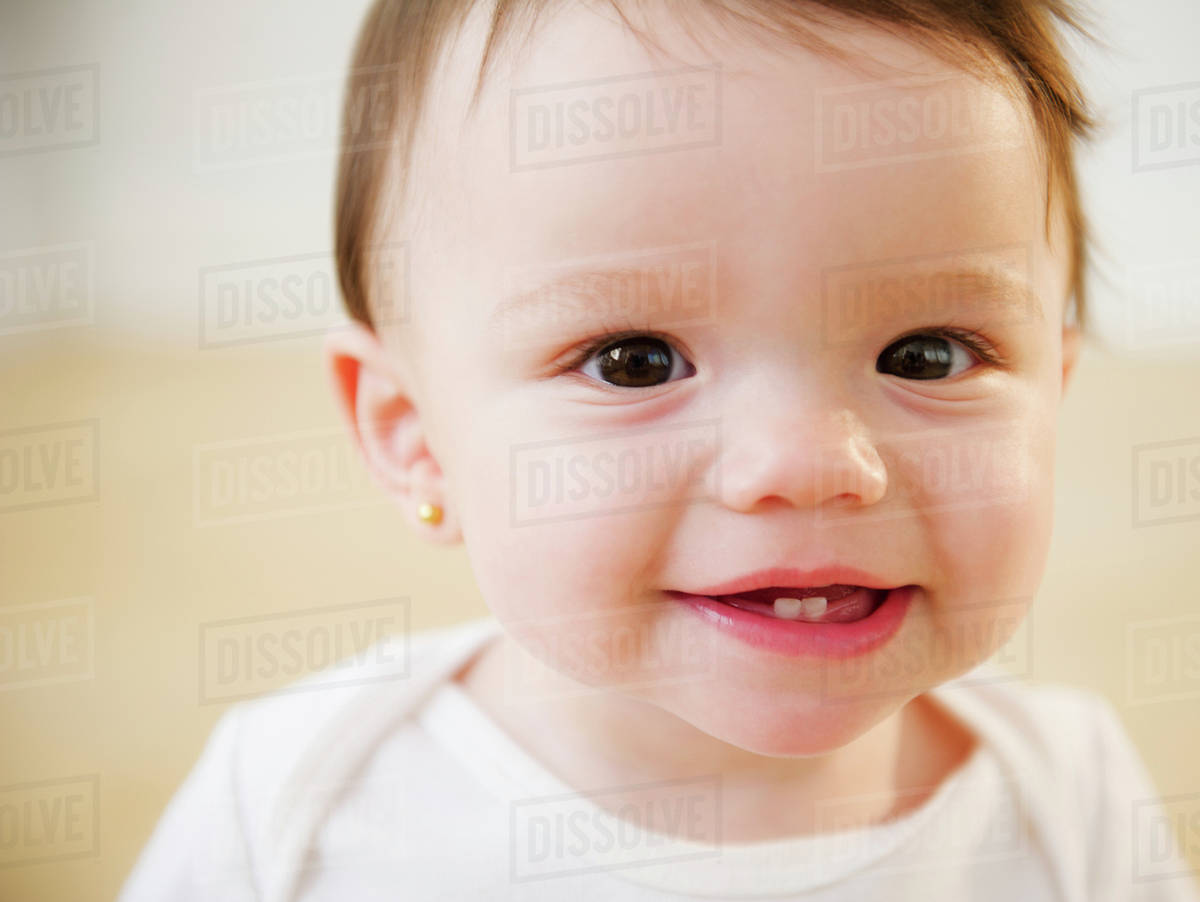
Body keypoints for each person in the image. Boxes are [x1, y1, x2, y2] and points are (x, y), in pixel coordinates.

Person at [120, 1, 1200, 899]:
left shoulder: (1072, 804)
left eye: (927, 353)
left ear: (1052, 394)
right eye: (634, 360)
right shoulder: (291, 804)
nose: (809, 462)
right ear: (414, 437)